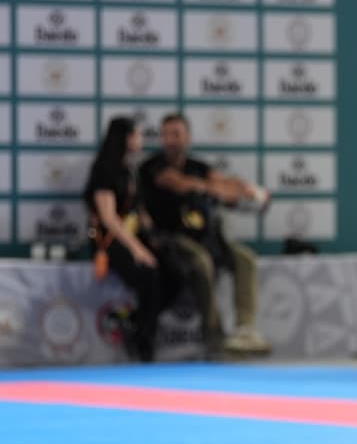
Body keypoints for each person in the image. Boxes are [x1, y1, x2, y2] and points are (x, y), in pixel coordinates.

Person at [139, 113, 271, 357]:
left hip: (207, 237)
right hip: (171, 239)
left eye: (176, 134)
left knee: (245, 259)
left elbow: (224, 183)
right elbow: (179, 184)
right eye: (166, 135)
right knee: (202, 261)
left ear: (187, 138)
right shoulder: (152, 167)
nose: (170, 140)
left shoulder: (199, 167)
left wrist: (249, 191)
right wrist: (217, 189)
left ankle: (245, 330)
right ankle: (214, 335)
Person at [83, 117, 186, 363]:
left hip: (134, 236)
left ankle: (135, 322)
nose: (142, 140)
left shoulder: (130, 170)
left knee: (176, 272)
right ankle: (144, 341)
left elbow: (138, 212)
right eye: (138, 135)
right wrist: (137, 249)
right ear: (126, 138)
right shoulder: (104, 170)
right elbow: (109, 218)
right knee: (149, 273)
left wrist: (153, 237)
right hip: (109, 241)